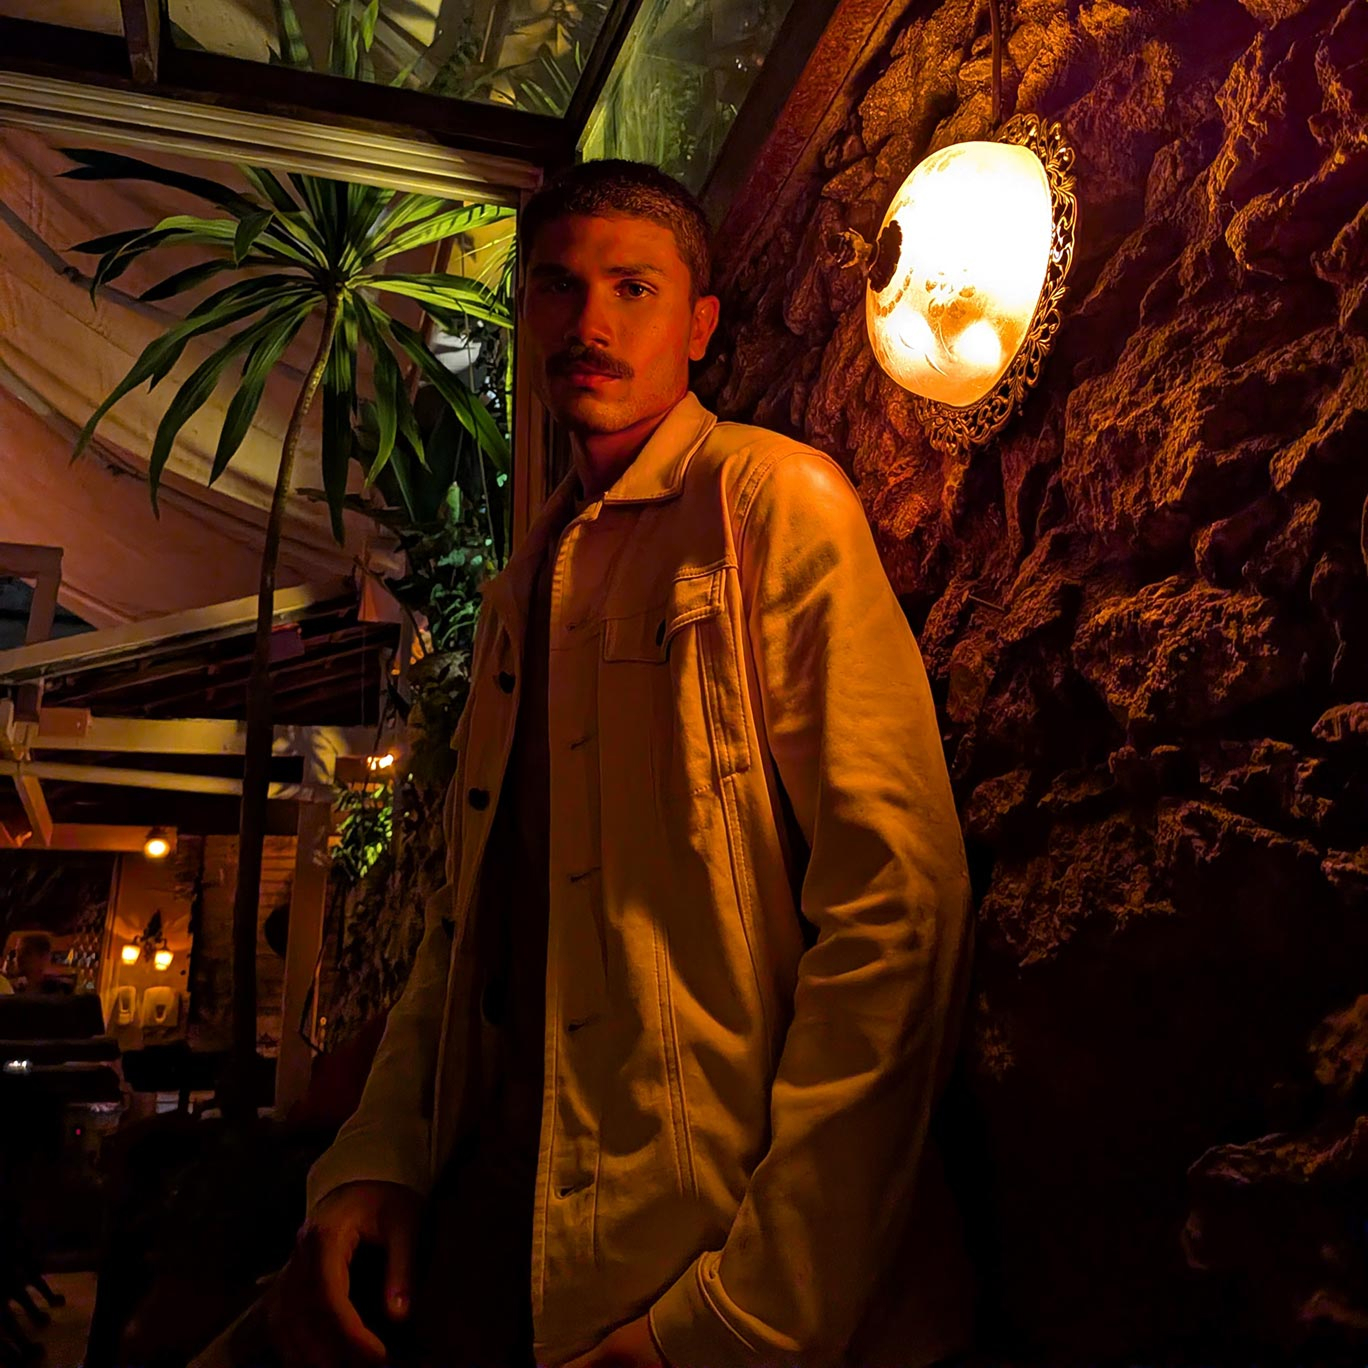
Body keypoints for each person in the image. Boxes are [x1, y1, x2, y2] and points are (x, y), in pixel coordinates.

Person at [268, 159, 973, 1368]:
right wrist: (376, 1156)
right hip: (502, 1211)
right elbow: (466, 928)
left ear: (700, 323)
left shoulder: (770, 505)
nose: (589, 324)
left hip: (698, 1251)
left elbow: (898, 908)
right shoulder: (517, 593)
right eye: (556, 288)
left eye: (633, 287)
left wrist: (750, 1311)